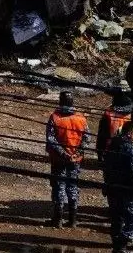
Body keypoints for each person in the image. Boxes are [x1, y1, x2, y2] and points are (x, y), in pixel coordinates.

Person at [46, 90, 88, 228]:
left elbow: (51, 139)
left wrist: (63, 154)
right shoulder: (81, 118)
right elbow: (86, 138)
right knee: (72, 187)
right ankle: (73, 220)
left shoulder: (55, 117)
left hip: (59, 159)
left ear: (60, 101)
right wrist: (76, 153)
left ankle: (57, 220)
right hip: (75, 160)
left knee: (59, 187)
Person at [103, 121, 133, 253]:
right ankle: (121, 242)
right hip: (127, 191)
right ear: (130, 133)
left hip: (112, 188)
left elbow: (106, 167)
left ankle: (118, 248)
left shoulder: (112, 145)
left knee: (117, 219)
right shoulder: (131, 148)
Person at [96, 90, 133, 161]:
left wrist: (99, 153)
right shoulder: (132, 115)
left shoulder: (108, 114)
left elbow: (101, 136)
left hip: (110, 150)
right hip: (127, 151)